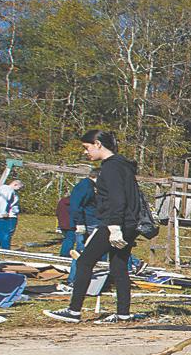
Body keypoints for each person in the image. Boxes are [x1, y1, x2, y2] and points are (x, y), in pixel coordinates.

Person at [45, 130, 141, 323]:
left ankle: (74, 310)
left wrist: (114, 227)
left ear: (98, 144)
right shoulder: (124, 165)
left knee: (84, 262)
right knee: (119, 267)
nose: (85, 152)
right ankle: (123, 313)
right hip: (130, 223)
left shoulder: (110, 167)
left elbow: (117, 198)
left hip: (116, 223)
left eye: (86, 147)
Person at [64, 169, 99, 284]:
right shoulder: (85, 187)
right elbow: (76, 206)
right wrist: (79, 223)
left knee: (84, 252)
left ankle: (76, 279)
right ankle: (74, 279)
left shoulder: (90, 186)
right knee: (81, 252)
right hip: (87, 223)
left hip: (90, 221)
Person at [0, 178, 23, 249]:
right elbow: (3, 201)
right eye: (19, 188)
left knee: (0, 231)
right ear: (15, 184)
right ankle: (4, 248)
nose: (19, 190)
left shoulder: (1, 189)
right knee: (7, 232)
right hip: (9, 215)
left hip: (0, 214)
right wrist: (3, 212)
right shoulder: (8, 190)